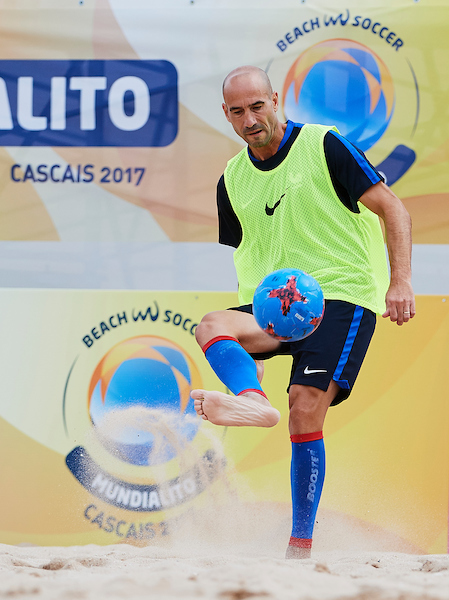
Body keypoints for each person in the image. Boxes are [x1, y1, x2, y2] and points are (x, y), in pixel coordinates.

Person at [191, 65, 415, 559]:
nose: (250, 120)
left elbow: (393, 208)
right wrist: (254, 346)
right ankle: (252, 399)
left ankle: (299, 548)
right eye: (238, 112)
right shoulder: (232, 178)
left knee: (303, 408)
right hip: (276, 306)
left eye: (257, 106)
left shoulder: (323, 144)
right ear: (225, 115)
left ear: (276, 100)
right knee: (211, 324)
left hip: (340, 295)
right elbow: (251, 256)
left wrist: (400, 282)